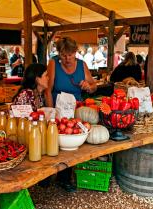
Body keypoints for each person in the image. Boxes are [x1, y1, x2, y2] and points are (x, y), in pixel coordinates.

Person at [45, 37, 97, 192]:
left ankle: (65, 178)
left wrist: (88, 86)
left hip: (75, 110)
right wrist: (51, 113)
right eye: (63, 55)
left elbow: (94, 86)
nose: (67, 58)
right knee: (56, 143)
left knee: (72, 144)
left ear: (75, 52)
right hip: (58, 108)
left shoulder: (82, 65)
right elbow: (48, 90)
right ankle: (48, 175)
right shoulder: (53, 63)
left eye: (70, 54)